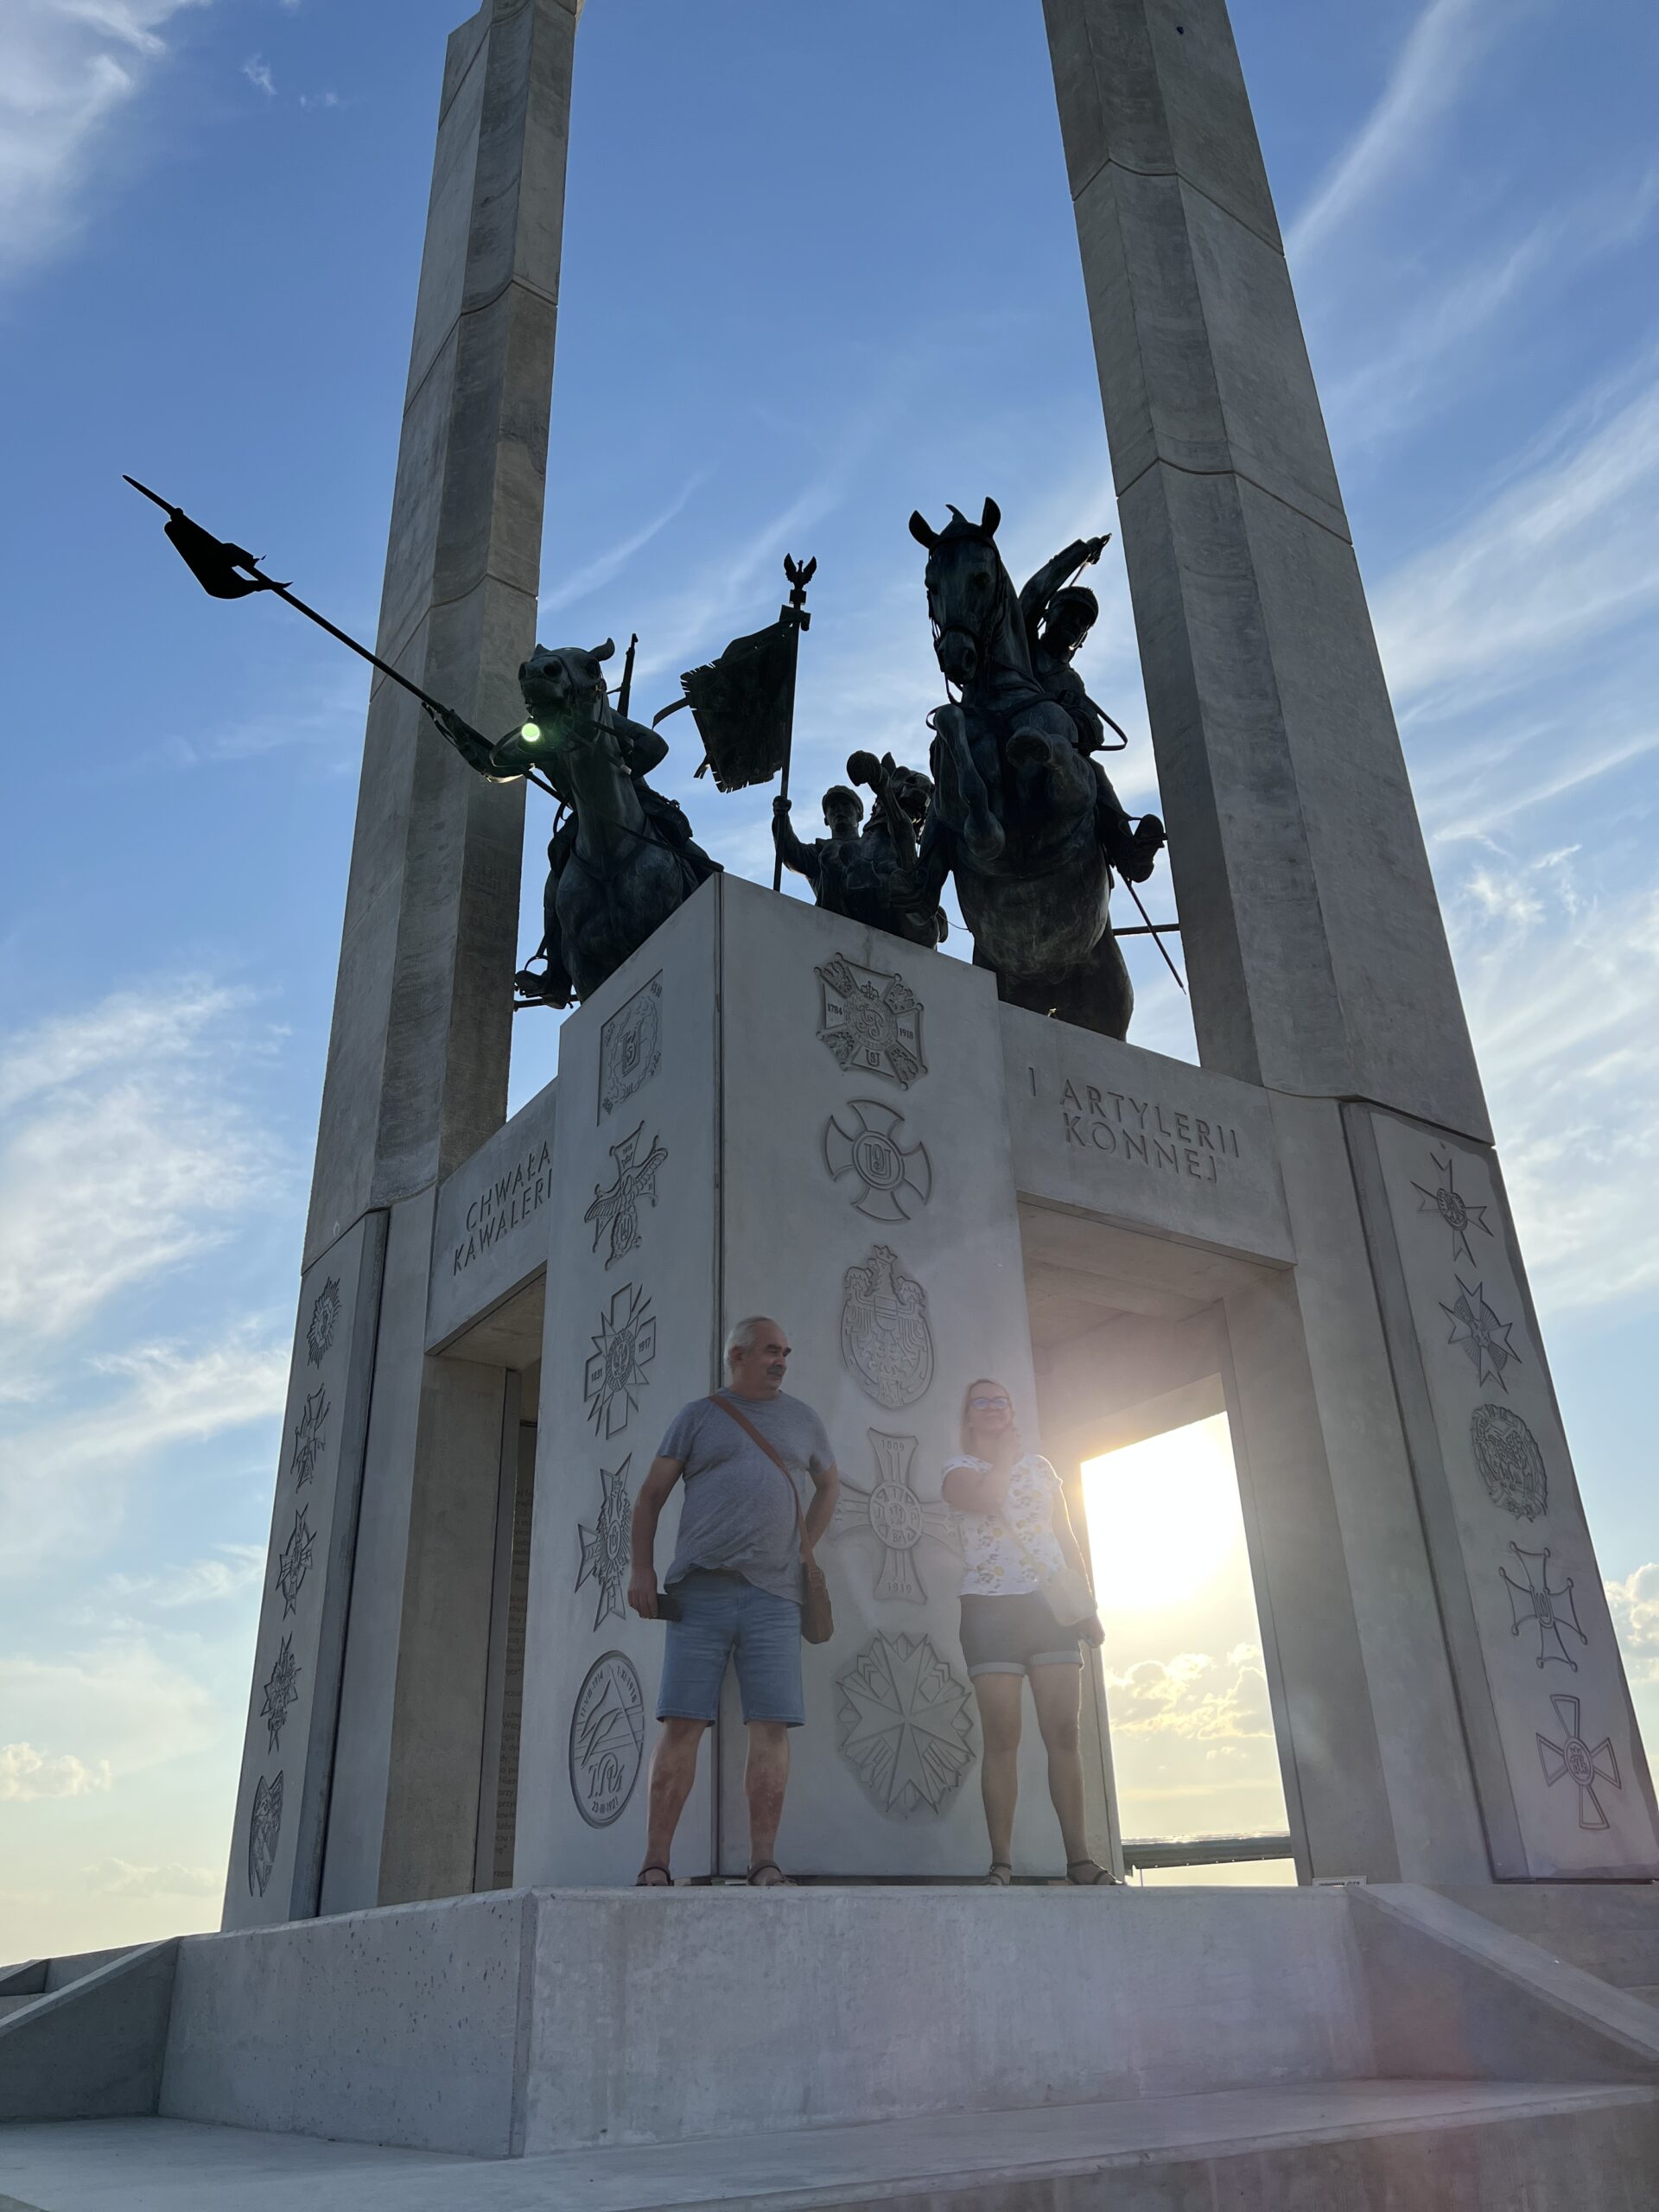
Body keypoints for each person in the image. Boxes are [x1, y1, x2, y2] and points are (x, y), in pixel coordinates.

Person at [627, 1316, 840, 1886]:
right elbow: (650, 1495)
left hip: (776, 1598)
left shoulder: (803, 1420)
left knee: (771, 1727)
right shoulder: (697, 1417)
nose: (781, 1362)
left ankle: (763, 1861)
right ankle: (655, 1863)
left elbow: (830, 1484)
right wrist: (642, 1567)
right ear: (738, 1355)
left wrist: (804, 1546)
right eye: (771, 1351)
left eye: (786, 1352)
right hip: (700, 1592)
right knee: (682, 1723)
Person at [942, 1377, 1117, 1885]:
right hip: (989, 1609)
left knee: (1064, 1733)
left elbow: (1064, 1535)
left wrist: (1086, 1605)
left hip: (1050, 1608)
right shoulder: (957, 1471)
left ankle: (1079, 1861)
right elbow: (986, 1498)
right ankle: (1002, 1862)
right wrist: (1002, 1459)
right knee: (1002, 1737)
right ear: (967, 1416)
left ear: (1012, 1412)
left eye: (1001, 1401)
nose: (993, 1408)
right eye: (981, 1402)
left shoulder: (1041, 1469)